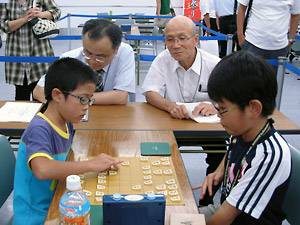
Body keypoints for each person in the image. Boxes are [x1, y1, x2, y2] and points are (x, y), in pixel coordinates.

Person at [13, 57, 122, 225]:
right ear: (57, 95)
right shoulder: (39, 128)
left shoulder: (66, 123)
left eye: (89, 100)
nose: (86, 106)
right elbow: (42, 169)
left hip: (59, 202)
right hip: (37, 217)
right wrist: (90, 165)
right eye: (83, 99)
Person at [194, 51, 291, 224]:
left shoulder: (269, 155)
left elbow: (224, 218)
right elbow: (233, 149)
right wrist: (219, 172)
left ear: (253, 108)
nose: (218, 116)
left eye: (222, 109)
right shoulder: (241, 132)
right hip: (229, 211)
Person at [142, 15, 224, 206]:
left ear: (195, 40)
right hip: (174, 123)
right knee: (156, 150)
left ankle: (206, 201)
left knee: (221, 156)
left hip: (208, 126)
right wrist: (169, 106)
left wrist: (216, 106)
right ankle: (166, 198)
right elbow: (150, 92)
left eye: (182, 38)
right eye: (170, 39)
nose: (175, 45)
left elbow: (235, 98)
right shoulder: (163, 60)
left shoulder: (214, 64)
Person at [33, 18, 135, 104]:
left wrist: (77, 99)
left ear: (116, 49)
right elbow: (38, 91)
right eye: (88, 53)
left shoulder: (125, 52)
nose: (93, 61)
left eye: (101, 57)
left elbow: (120, 97)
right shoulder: (70, 58)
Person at [0, 0, 61, 100]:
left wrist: (40, 14)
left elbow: (56, 12)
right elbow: (4, 26)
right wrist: (26, 18)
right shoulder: (6, 2)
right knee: (21, 94)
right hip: (17, 53)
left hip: (39, 53)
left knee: (41, 94)